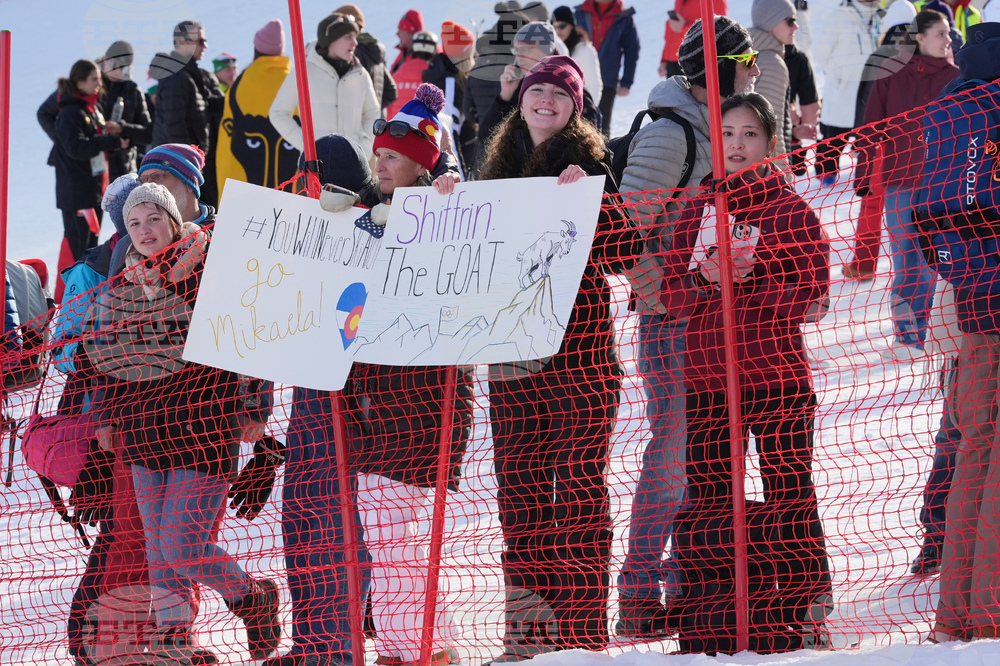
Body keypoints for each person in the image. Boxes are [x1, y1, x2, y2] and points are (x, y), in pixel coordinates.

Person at [474, 55, 641, 660]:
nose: (545, 100)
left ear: (576, 107)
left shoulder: (591, 164)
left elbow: (626, 252)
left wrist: (597, 202)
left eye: (559, 93)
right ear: (520, 100)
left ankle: (580, 634)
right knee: (520, 495)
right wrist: (445, 197)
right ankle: (527, 633)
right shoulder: (494, 170)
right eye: (536, 89)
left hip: (582, 356)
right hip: (512, 359)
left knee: (577, 492)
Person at [659, 91, 834, 648]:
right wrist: (703, 280)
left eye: (750, 134)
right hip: (708, 380)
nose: (737, 144)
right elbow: (669, 295)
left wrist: (756, 280)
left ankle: (804, 607)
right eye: (728, 134)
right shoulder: (697, 208)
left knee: (790, 491)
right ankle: (717, 610)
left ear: (771, 142)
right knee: (712, 495)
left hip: (777, 378)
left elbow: (815, 299)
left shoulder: (790, 209)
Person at [85, 182, 278, 663]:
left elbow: (250, 336)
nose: (144, 230)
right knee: (158, 548)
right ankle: (176, 639)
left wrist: (255, 406)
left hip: (203, 426)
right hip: (142, 429)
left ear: (173, 220)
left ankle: (251, 597)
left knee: (183, 545)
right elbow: (107, 359)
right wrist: (105, 415)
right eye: (134, 223)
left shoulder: (212, 268)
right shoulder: (121, 285)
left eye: (153, 218)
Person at [616, 15, 758, 638]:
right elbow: (625, 232)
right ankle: (639, 593)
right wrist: (665, 296)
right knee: (673, 455)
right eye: (745, 61)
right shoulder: (672, 132)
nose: (755, 70)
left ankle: (689, 585)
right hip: (674, 320)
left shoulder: (725, 124)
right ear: (719, 69)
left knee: (708, 455)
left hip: (719, 317)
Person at [927, 21, 1000, 643]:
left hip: (970, 299)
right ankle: (992, 617)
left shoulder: (950, 106)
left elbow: (928, 213)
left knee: (974, 450)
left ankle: (957, 616)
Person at [854, 9, 959, 361]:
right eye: (941, 33)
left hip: (937, 187)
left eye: (949, 33)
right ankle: (904, 336)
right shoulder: (891, 71)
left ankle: (922, 334)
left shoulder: (955, 76)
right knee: (904, 263)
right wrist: (863, 175)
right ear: (920, 37)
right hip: (898, 183)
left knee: (928, 264)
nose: (948, 39)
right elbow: (870, 127)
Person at [843, 0, 917, 280]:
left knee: (872, 203)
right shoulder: (920, 54)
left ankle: (863, 264)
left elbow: (865, 101)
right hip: (912, 142)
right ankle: (917, 266)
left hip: (880, 143)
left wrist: (858, 137)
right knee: (911, 204)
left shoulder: (879, 55)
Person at [48, 58, 128, 302]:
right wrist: (108, 141)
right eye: (94, 79)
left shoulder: (90, 108)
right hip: (76, 193)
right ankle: (67, 299)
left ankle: (84, 297)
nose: (98, 84)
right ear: (80, 82)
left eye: (99, 79)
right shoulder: (70, 112)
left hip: (92, 189)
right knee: (76, 244)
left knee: (88, 245)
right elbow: (76, 148)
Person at [269, 12, 380, 157]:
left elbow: (373, 114)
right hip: (316, 164)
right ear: (330, 41)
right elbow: (278, 113)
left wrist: (364, 147)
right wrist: (308, 146)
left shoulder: (361, 74)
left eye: (355, 37)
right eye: (348, 37)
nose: (355, 43)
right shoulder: (304, 72)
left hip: (353, 162)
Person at [478, 21, 602, 149]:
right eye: (516, 51)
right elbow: (486, 138)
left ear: (546, 51)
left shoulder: (571, 86)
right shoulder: (519, 85)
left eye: (525, 49)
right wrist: (505, 96)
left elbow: (589, 142)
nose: (519, 57)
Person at [215, 18, 302, 197]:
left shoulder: (241, 83)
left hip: (245, 189)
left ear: (257, 49)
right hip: (291, 183)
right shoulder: (295, 81)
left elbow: (228, 136)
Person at [151, 20, 225, 208]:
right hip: (183, 170)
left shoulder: (187, 73)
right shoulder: (176, 77)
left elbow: (203, 109)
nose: (205, 46)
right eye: (200, 41)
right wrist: (186, 171)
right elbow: (174, 128)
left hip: (192, 167)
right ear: (183, 42)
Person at [812, 0, 880, 186]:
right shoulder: (838, 16)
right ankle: (826, 176)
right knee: (834, 139)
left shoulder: (879, 16)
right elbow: (820, 53)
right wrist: (840, 76)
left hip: (869, 92)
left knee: (867, 137)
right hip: (842, 93)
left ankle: (866, 175)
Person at [573, 0, 640, 135]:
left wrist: (626, 82)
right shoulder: (580, 12)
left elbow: (631, 51)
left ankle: (602, 150)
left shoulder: (624, 17)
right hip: (577, 79)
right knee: (574, 123)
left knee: (601, 126)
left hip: (607, 80)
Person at [423, 21, 477, 175]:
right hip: (451, 170)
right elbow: (449, 133)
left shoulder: (443, 75)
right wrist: (457, 173)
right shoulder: (449, 84)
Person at [96, 41, 153, 180]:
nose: (118, 71)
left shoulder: (133, 91)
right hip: (91, 166)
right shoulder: (87, 81)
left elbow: (148, 134)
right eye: (114, 65)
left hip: (124, 168)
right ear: (105, 60)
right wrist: (70, 143)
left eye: (124, 68)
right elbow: (49, 113)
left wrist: (123, 128)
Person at [750, 0, 798, 158]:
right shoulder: (772, 64)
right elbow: (771, 129)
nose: (796, 27)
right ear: (771, 22)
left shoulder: (749, 56)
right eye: (790, 21)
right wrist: (782, 170)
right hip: (767, 166)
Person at [335, 4, 399, 116]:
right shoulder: (373, 51)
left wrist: (366, 112)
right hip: (375, 123)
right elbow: (391, 92)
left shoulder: (352, 53)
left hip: (357, 123)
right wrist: (374, 109)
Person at [659, 0, 728, 78]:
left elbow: (718, 29)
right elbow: (673, 33)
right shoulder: (680, 1)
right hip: (674, 64)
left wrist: (684, 28)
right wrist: (665, 60)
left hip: (695, 62)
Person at [553, 6, 603, 101]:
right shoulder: (554, 49)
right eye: (554, 27)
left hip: (581, 105)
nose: (558, 30)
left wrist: (588, 108)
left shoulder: (584, 50)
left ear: (572, 26)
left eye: (562, 26)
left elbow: (594, 86)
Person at [387, 30, 436, 118]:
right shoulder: (435, 76)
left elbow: (389, 105)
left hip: (395, 124)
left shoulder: (397, 73)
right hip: (421, 125)